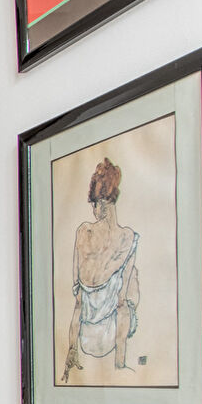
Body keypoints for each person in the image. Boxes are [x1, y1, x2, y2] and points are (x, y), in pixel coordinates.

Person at [63, 157, 140, 381]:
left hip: (85, 337)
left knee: (85, 295)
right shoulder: (128, 238)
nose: (93, 210)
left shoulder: (83, 232)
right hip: (110, 337)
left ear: (101, 204)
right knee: (129, 289)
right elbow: (121, 303)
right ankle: (120, 364)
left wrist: (72, 349)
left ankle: (76, 352)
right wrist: (119, 363)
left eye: (93, 205)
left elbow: (78, 301)